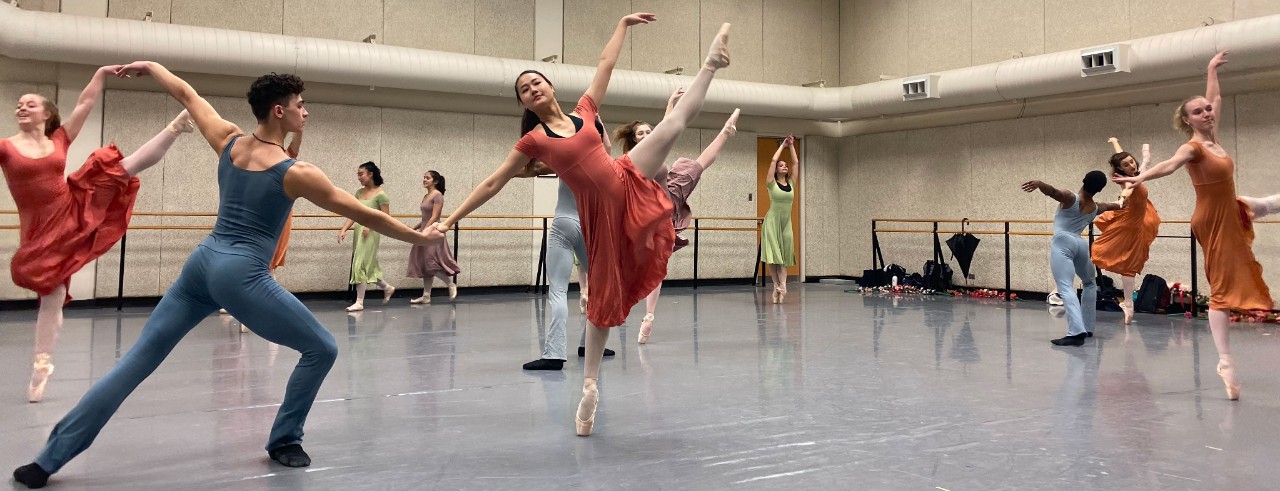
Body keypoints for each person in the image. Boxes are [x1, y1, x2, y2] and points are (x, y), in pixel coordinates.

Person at [10, 63, 439, 489]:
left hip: (201, 264)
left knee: (137, 360)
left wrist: (149, 66)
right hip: (242, 275)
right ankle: (285, 439)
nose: (305, 113)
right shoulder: (297, 173)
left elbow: (187, 94)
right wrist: (419, 239)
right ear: (278, 111)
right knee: (322, 349)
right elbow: (364, 213)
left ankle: (46, 461)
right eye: (300, 106)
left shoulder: (228, 140)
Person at [430, 13, 732, 436]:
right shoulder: (533, 141)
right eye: (523, 89)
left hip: (624, 176)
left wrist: (623, 26)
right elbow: (495, 180)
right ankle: (589, 386)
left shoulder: (586, 110)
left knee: (672, 124)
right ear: (525, 104)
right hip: (599, 218)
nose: (532, 88)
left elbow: (604, 66)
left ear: (550, 87)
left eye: (536, 82)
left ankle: (710, 65)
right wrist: (450, 220)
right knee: (604, 305)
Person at [0, 64, 194, 403]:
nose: (22, 107)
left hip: (72, 206)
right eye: (19, 103)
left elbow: (85, 104)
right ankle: (42, 363)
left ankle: (176, 127)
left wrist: (101, 73)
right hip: (40, 232)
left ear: (47, 114)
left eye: (30, 103)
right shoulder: (6, 147)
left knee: (121, 167)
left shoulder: (59, 138)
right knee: (52, 296)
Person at [1115, 51, 1273, 400]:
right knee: (1220, 287)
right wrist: (1140, 175)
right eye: (1198, 111)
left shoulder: (1214, 137)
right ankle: (1225, 362)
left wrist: (1212, 70)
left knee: (1264, 203)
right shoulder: (1193, 147)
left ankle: (1227, 360)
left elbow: (1215, 96)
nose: (1207, 112)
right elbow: (1170, 165)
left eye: (1208, 109)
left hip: (1230, 208)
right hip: (1213, 221)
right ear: (1187, 120)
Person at [614, 89, 740, 343]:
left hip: (666, 202)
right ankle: (622, 305)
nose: (648, 135)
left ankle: (648, 315)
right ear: (634, 140)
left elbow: (666, 129)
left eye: (649, 132)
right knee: (639, 265)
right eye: (641, 133)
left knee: (698, 164)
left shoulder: (655, 152)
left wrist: (670, 103)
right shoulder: (630, 160)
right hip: (644, 212)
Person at [522, 115, 616, 371]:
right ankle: (590, 344)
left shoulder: (568, 157)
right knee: (597, 289)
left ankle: (554, 354)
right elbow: (607, 148)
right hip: (590, 228)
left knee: (558, 291)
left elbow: (534, 168)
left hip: (564, 223)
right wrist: (598, 123)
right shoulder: (606, 163)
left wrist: (509, 173)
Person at [1022, 171, 1127, 347]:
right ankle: (1087, 328)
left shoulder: (1070, 197)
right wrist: (1124, 197)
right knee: (1090, 283)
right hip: (1080, 244)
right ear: (1099, 189)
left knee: (1065, 286)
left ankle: (1076, 332)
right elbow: (1117, 205)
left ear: (1083, 180)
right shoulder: (1096, 207)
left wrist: (1039, 183)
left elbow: (1053, 192)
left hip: (1063, 241)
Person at [224, 129, 302, 333]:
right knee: (245, 263)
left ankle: (261, 311)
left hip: (275, 223)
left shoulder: (284, 161)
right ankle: (240, 306)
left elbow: (294, 148)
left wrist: (299, 131)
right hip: (252, 220)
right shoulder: (252, 162)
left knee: (266, 267)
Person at [1091, 137, 1161, 324]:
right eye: (1126, 164)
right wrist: (1121, 199)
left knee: (1128, 262)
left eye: (1131, 161)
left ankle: (1129, 303)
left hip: (1137, 220)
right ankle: (1126, 302)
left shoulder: (1134, 173)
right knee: (1108, 252)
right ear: (1120, 170)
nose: (1131, 164)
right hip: (1130, 220)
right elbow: (1128, 189)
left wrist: (1115, 142)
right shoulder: (1128, 181)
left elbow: (1122, 158)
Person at [338, 161, 394, 311]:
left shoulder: (381, 195)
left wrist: (370, 226)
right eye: (358, 174)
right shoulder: (359, 193)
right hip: (359, 231)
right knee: (368, 266)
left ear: (371, 174)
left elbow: (385, 216)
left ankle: (359, 302)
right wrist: (344, 229)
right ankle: (387, 287)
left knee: (359, 264)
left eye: (361, 174)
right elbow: (354, 213)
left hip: (371, 233)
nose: (359, 177)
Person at [406, 170, 460, 304]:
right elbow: (425, 218)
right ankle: (426, 296)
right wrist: (416, 228)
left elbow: (435, 216)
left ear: (435, 181)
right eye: (424, 177)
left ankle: (450, 284)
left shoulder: (438, 195)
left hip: (432, 232)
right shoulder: (426, 196)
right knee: (425, 264)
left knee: (431, 264)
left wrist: (426, 230)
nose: (424, 180)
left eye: (427, 178)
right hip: (424, 231)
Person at [762, 135, 798, 303]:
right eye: (781, 165)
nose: (784, 167)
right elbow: (772, 160)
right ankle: (776, 285)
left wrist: (791, 146)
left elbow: (796, 163)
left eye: (785, 165)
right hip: (772, 222)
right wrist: (782, 146)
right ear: (776, 170)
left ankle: (782, 286)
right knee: (773, 256)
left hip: (786, 224)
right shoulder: (771, 183)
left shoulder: (791, 182)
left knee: (783, 256)